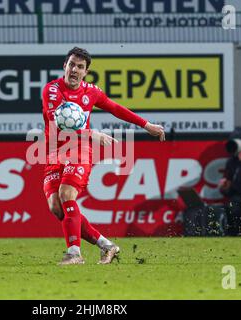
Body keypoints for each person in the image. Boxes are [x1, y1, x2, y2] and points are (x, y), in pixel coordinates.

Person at [42, 47, 165, 265]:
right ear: (65, 66)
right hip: (54, 152)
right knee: (56, 208)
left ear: (86, 72)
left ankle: (74, 254)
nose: (75, 70)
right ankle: (107, 246)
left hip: (79, 150)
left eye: (80, 67)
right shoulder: (52, 91)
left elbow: (116, 108)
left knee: (66, 194)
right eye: (72, 64)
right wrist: (92, 133)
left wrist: (146, 125)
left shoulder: (91, 92)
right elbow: (56, 126)